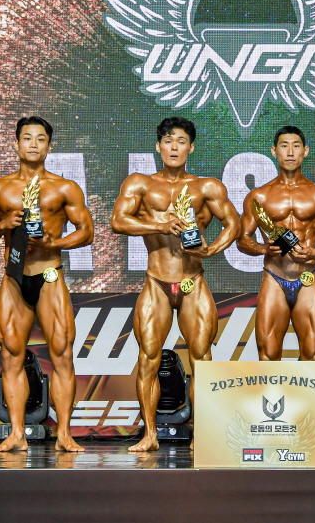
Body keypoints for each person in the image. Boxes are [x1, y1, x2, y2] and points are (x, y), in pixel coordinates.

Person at [110, 116, 241, 452]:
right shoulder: (140, 184)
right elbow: (118, 221)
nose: (174, 147)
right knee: (148, 359)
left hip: (192, 281)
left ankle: (201, 433)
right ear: (158, 146)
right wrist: (160, 225)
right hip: (156, 281)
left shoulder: (206, 187)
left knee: (202, 360)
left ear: (190, 148)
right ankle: (150, 435)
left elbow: (233, 223)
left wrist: (212, 249)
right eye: (168, 141)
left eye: (181, 141)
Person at [0, 116, 94, 453]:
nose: (34, 144)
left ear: (49, 146)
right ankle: (16, 434)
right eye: (27, 138)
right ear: (16, 144)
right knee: (11, 354)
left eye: (41, 139)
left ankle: (64, 433)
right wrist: (3, 225)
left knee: (62, 354)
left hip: (49, 275)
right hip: (14, 279)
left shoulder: (64, 188)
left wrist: (55, 243)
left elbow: (87, 231)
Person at [237, 126, 315, 360]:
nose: (290, 152)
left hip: (307, 277)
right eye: (284, 146)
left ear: (305, 151)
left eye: (296, 146)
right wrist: (264, 248)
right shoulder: (259, 196)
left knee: (314, 354)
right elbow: (242, 239)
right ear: (273, 151)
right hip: (274, 277)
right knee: (268, 354)